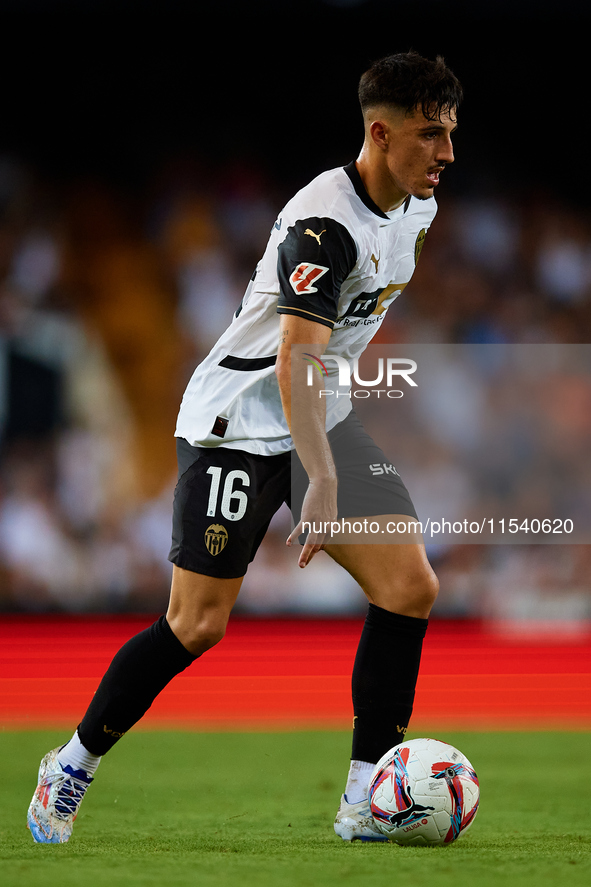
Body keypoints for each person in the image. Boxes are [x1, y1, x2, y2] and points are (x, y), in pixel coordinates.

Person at [27, 50, 462, 844]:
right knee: (195, 624)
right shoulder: (321, 225)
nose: (446, 153)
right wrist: (321, 482)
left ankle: (365, 799)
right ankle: (73, 761)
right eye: (431, 134)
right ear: (379, 132)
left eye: (451, 133)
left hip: (318, 414)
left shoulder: (417, 207)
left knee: (408, 585)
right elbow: (294, 357)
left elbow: (322, 362)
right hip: (237, 420)